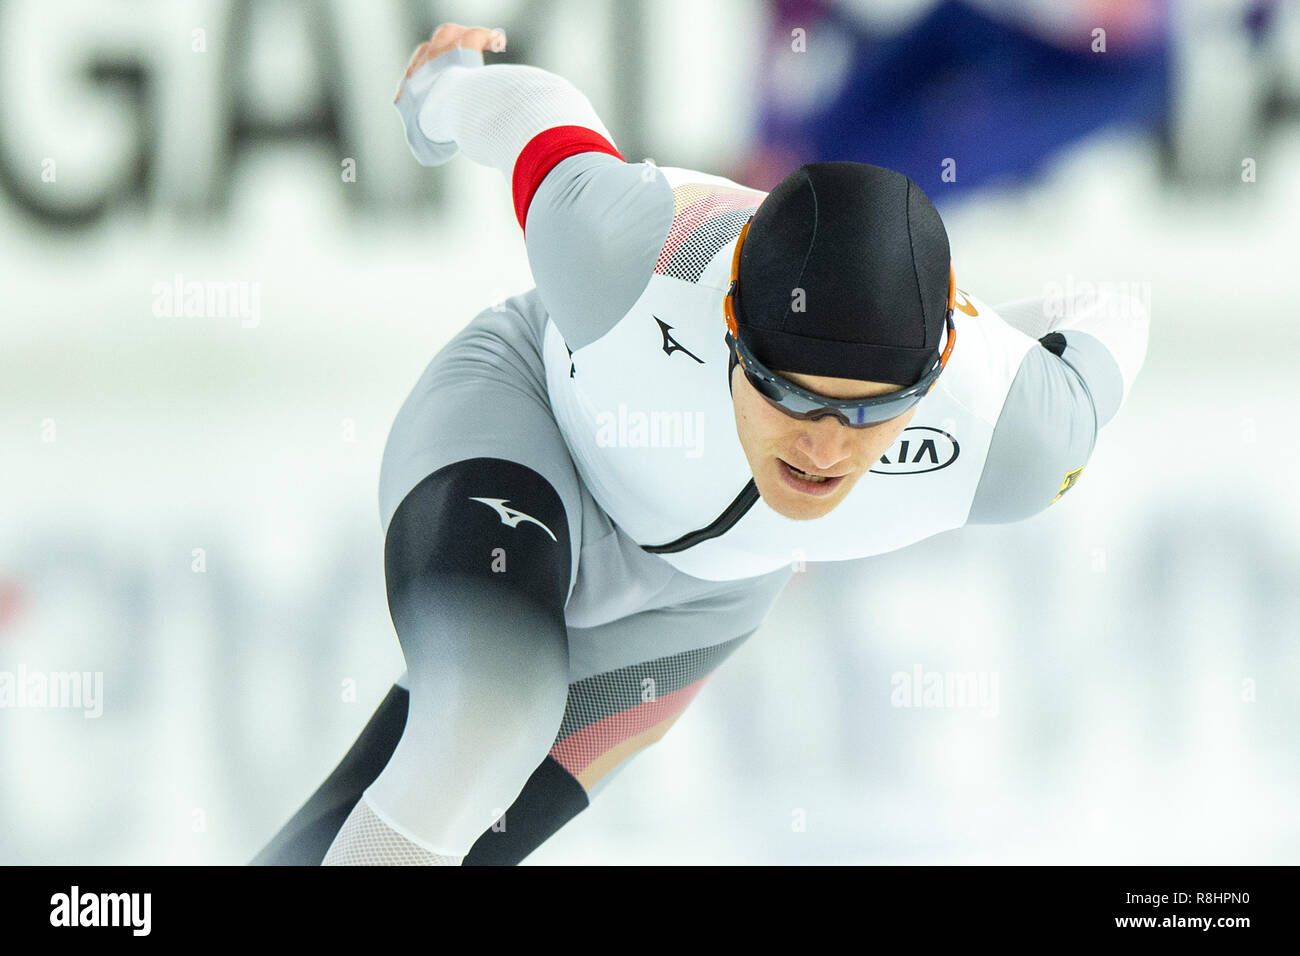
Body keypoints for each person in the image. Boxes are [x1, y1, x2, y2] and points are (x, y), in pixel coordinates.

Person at [252, 22, 1149, 865]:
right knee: (489, 716)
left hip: (695, 605)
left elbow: (1115, 307)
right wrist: (441, 90)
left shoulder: (1008, 435)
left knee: (463, 834)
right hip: (527, 427)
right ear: (728, 326)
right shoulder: (623, 257)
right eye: (786, 392)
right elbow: (534, 115)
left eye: (873, 410)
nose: (826, 448)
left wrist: (992, 339)